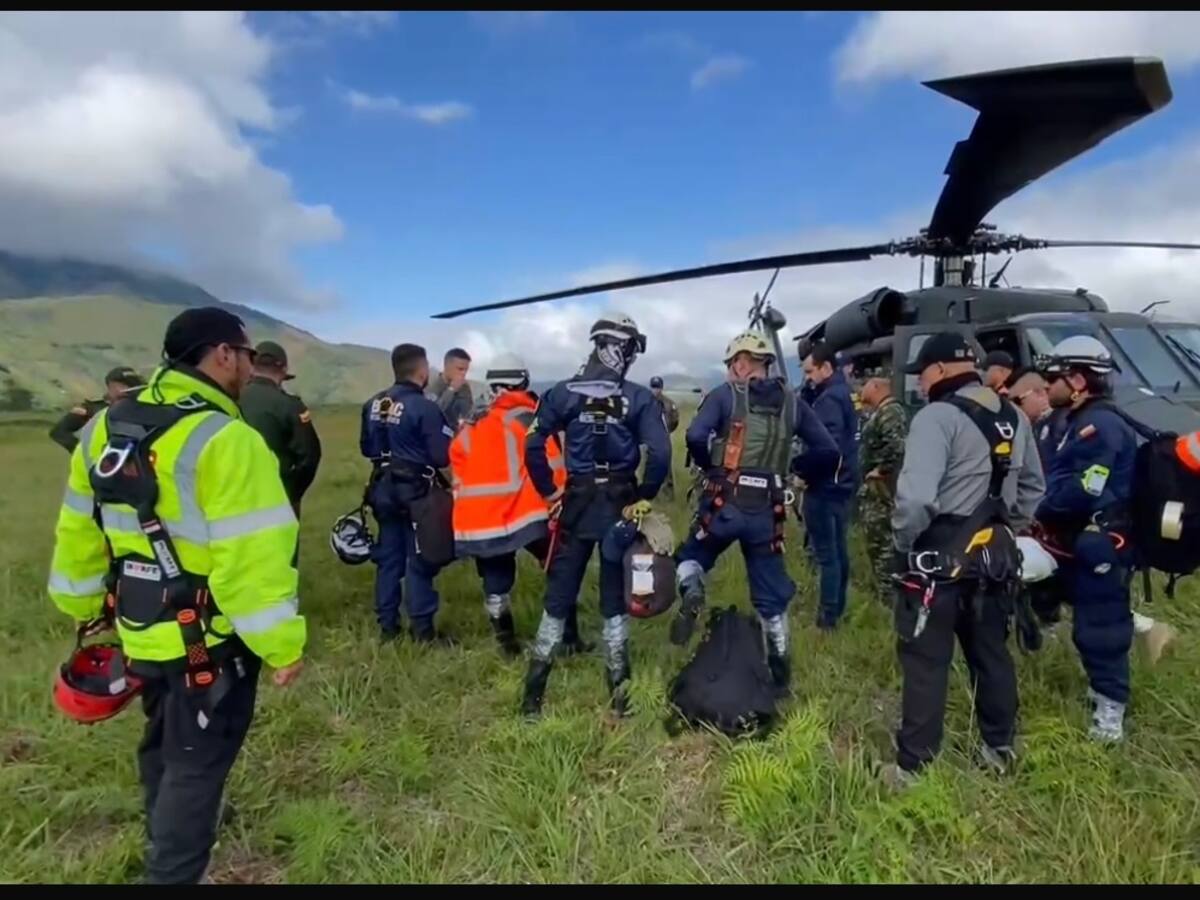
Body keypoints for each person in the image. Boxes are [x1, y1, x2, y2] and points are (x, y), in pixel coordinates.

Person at [47, 307, 305, 883]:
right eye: (242, 356)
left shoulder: (104, 428)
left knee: (164, 740)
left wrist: (84, 606)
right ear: (221, 355)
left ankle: (166, 830)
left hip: (140, 625)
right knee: (196, 763)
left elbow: (76, 529)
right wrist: (281, 644)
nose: (245, 367)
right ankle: (173, 871)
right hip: (205, 641)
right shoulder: (226, 439)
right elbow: (254, 559)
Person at [885, 331, 1044, 787]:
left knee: (925, 663)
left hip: (938, 558)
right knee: (991, 654)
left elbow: (915, 500)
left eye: (922, 375)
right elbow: (1034, 488)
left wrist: (903, 544)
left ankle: (913, 768)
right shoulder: (1016, 415)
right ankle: (1000, 748)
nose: (918, 384)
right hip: (996, 556)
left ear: (938, 371)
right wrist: (1007, 526)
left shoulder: (936, 417)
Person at [520, 313, 670, 718]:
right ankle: (620, 695)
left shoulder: (561, 393)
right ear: (625, 348)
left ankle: (533, 698)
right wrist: (643, 495)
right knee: (613, 599)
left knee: (558, 598)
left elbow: (532, 444)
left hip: (576, 503)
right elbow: (661, 454)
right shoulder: (638, 398)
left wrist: (549, 490)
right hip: (619, 506)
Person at [669, 330, 838, 691]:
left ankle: (693, 589)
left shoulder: (723, 395)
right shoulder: (794, 403)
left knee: (690, 557)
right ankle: (779, 680)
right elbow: (828, 451)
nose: (731, 372)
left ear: (741, 363)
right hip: (768, 513)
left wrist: (711, 469)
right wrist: (796, 472)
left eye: (732, 365)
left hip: (723, 505)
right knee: (770, 598)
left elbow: (696, 436)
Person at [1037, 336, 1141, 740]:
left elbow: (1086, 487)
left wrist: (1039, 506)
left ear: (1077, 380)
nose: (1047, 385)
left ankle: (1110, 714)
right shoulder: (1074, 422)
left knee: (1102, 626)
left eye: (1053, 377)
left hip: (1102, 542)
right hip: (1076, 538)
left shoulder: (1101, 427)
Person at [449, 353, 564, 657]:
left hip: (477, 521)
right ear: (522, 382)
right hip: (521, 514)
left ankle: (507, 646)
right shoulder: (525, 418)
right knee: (561, 563)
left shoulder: (473, 423)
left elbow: (457, 466)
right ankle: (566, 637)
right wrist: (558, 499)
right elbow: (552, 462)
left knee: (495, 582)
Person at [361, 344, 456, 644]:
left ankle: (388, 628)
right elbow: (441, 456)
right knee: (419, 558)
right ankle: (423, 631)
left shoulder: (372, 404)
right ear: (422, 370)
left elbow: (366, 448)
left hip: (382, 488)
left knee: (389, 559)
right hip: (415, 492)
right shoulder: (425, 407)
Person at [801, 342, 860, 630]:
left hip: (825, 487)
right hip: (844, 483)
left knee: (827, 556)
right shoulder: (846, 393)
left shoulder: (828, 401)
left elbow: (827, 448)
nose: (807, 378)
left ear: (826, 368)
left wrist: (800, 470)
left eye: (810, 372)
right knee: (839, 551)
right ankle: (837, 609)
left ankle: (827, 618)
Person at [239, 341, 322, 515]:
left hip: (234, 496)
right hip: (278, 498)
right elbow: (310, 456)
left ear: (251, 366)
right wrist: (292, 493)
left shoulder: (230, 399)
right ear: (283, 370)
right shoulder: (290, 405)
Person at [857, 376, 909, 601]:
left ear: (876, 386)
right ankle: (886, 594)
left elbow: (896, 447)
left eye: (866, 384)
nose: (862, 388)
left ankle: (891, 598)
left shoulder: (890, 412)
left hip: (883, 492)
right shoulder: (881, 412)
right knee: (877, 544)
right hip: (876, 491)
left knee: (883, 545)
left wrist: (881, 470)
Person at [49, 365, 144, 452]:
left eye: (130, 386)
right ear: (110, 387)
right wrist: (85, 451)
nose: (126, 390)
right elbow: (59, 432)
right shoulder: (95, 409)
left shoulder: (146, 409)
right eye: (120, 386)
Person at [427, 347, 474, 432]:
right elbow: (433, 413)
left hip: (455, 434)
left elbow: (468, 414)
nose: (463, 373)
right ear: (446, 366)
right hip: (435, 433)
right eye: (460, 369)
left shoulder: (464, 388)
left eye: (466, 370)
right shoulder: (432, 386)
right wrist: (451, 390)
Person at [650, 375, 680, 500]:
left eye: (658, 387)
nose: (656, 390)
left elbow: (675, 421)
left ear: (662, 388)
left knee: (666, 467)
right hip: (649, 440)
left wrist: (666, 432)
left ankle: (669, 496)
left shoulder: (669, 403)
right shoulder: (645, 402)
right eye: (654, 387)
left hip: (663, 439)